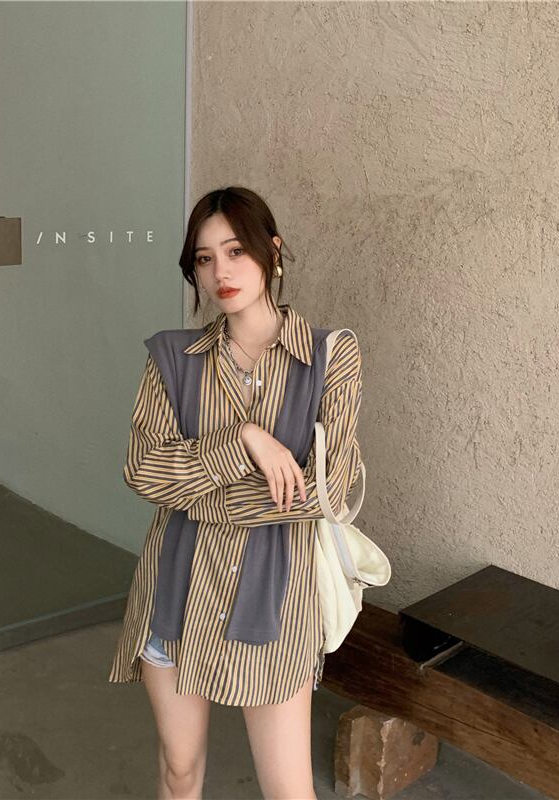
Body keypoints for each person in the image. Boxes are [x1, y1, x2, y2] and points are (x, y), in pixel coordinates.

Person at [108, 186, 363, 800]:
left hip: (275, 602)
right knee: (179, 771)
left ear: (272, 250)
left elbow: (330, 491)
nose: (220, 271)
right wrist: (244, 441)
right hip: (177, 591)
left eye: (235, 251)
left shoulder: (329, 357)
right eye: (204, 258)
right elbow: (142, 471)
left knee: (289, 791)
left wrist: (200, 496)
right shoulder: (173, 358)